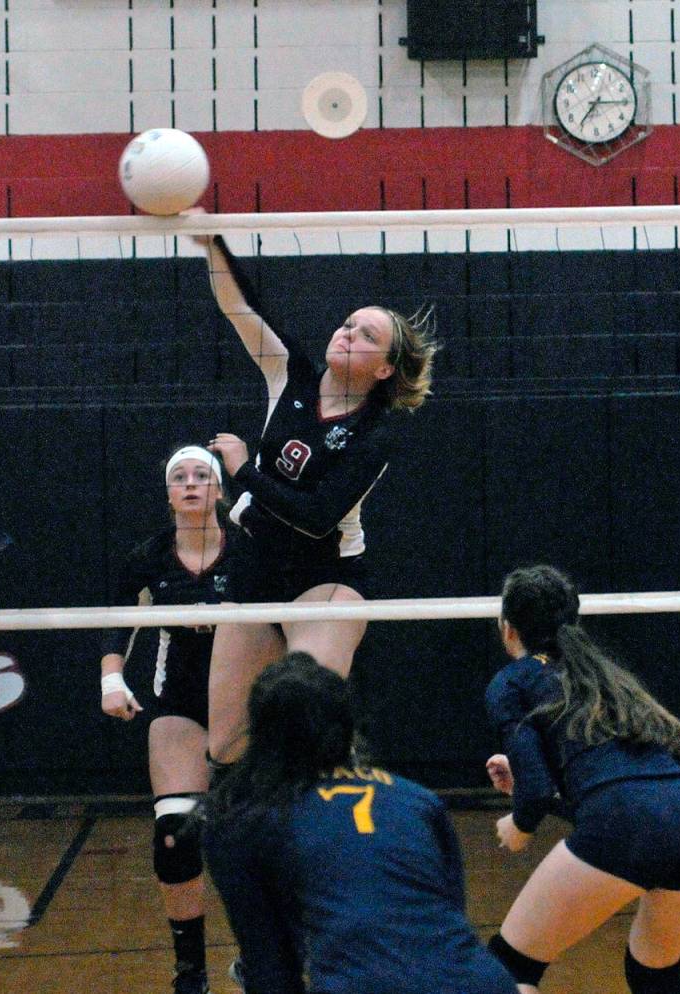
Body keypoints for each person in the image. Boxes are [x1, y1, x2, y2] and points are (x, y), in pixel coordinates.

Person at [191, 221, 437, 766]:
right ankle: (270, 815)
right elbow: (242, 310)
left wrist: (244, 472)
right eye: (348, 324)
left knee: (306, 719)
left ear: (386, 368)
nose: (347, 333)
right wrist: (210, 245)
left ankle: (341, 805)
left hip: (324, 577)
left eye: (367, 336)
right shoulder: (289, 374)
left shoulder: (376, 433)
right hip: (256, 567)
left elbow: (320, 517)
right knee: (226, 745)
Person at [201, 651, 517, 994]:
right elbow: (446, 919)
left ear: (258, 735)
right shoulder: (418, 800)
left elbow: (272, 973)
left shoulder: (243, 823)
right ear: (346, 724)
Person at [483, 565, 680, 994]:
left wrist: (519, 825)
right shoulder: (604, 674)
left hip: (627, 821)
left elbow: (542, 792)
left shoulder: (512, 682)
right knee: (653, 973)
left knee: (507, 969)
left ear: (508, 630)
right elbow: (614, 783)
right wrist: (527, 787)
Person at [100, 445, 236, 994]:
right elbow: (117, 619)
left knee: (260, 838)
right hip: (179, 702)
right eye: (179, 477)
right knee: (176, 837)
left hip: (245, 706)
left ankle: (269, 955)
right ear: (168, 493)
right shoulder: (150, 556)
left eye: (202, 475)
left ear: (220, 490)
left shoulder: (250, 549)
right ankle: (190, 972)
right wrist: (112, 678)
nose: (190, 484)